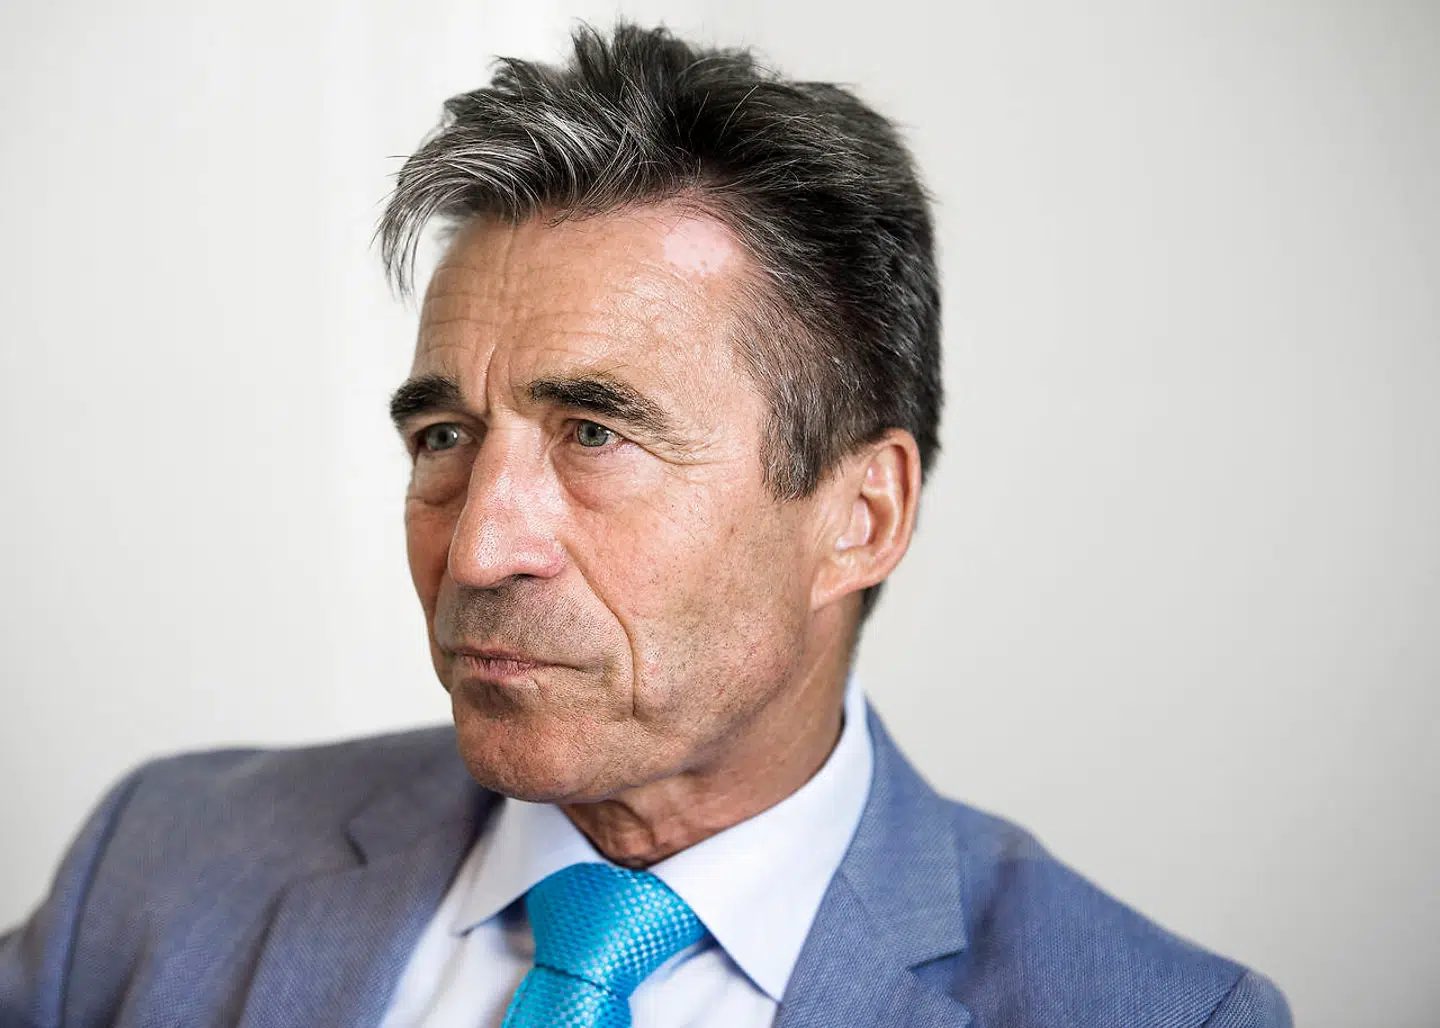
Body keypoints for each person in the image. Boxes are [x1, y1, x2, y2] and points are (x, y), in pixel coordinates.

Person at [0, 23, 1291, 1028]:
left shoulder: (1156, 1013)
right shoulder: (156, 866)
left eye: (595, 435)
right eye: (444, 437)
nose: (478, 549)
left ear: (861, 516)